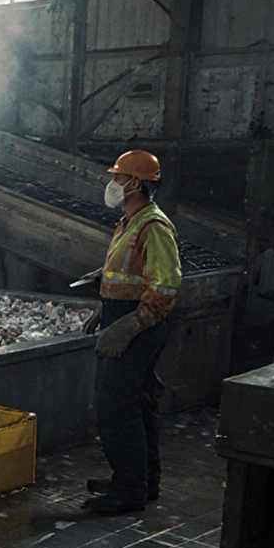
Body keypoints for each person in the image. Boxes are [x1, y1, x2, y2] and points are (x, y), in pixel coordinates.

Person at [82, 150, 181, 514]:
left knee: (116, 406)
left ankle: (128, 489)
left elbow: (166, 285)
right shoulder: (129, 221)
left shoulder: (153, 226)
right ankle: (142, 479)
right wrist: (104, 300)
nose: (113, 184)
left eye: (119, 178)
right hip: (121, 314)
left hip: (140, 325)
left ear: (135, 184)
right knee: (138, 403)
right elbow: (129, 273)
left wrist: (130, 325)